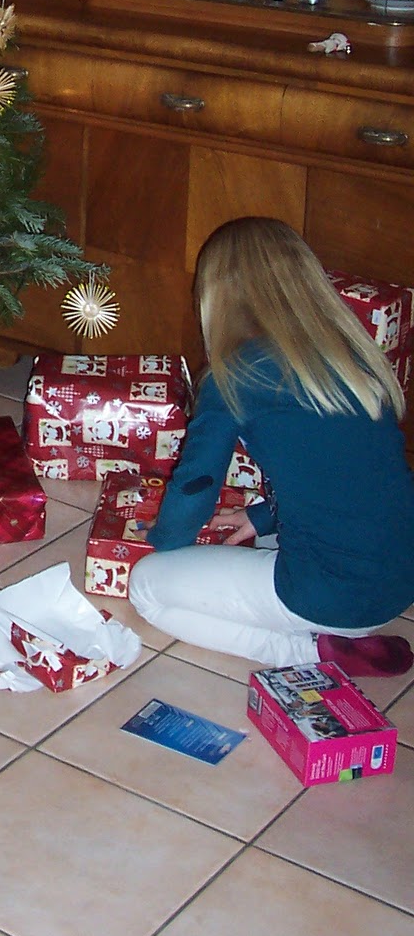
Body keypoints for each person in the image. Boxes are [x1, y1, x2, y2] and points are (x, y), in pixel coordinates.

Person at [129, 218, 414, 677]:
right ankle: (342, 635)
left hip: (331, 597)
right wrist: (260, 516)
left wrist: (165, 543)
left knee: (147, 590)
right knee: (284, 533)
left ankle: (314, 652)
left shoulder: (236, 374)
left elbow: (196, 482)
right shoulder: (351, 354)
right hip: (398, 581)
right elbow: (341, 473)